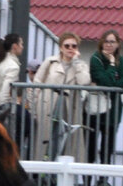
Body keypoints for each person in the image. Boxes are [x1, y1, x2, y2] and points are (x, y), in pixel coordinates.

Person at [31, 32, 91, 161]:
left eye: (74, 46)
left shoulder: (81, 65)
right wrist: (33, 105)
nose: (70, 49)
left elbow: (84, 81)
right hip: (48, 106)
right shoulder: (50, 62)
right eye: (67, 45)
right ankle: (41, 174)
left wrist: (76, 62)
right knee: (45, 141)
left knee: (67, 142)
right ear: (60, 47)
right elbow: (37, 82)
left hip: (69, 108)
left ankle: (61, 175)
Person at [85, 29, 123, 186]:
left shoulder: (122, 61)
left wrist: (112, 81)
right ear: (101, 43)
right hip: (95, 112)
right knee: (90, 148)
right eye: (106, 41)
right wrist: (111, 66)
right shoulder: (95, 59)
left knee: (107, 149)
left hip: (113, 112)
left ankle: (102, 182)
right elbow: (103, 80)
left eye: (112, 41)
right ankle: (87, 183)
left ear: (118, 44)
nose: (109, 44)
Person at [0, 33, 23, 118]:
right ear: (14, 46)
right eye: (21, 44)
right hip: (1, 107)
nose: (22, 47)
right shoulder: (13, 66)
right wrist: (5, 109)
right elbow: (5, 90)